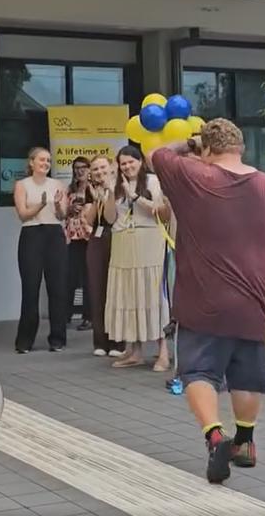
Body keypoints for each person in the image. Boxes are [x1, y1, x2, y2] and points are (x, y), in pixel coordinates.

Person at [150, 118, 265, 485]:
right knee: (246, 376)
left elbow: (156, 154)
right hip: (252, 304)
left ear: (208, 150)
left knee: (198, 372)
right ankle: (245, 441)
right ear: (241, 147)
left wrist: (189, 147)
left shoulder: (191, 176)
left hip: (202, 302)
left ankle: (215, 436)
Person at [102, 146, 172, 370]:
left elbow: (164, 213)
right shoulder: (115, 185)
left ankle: (163, 353)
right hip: (122, 240)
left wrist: (136, 197)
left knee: (151, 293)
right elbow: (110, 218)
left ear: (140, 161)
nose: (127, 167)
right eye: (123, 164)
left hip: (148, 240)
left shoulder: (152, 182)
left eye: (131, 162)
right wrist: (111, 192)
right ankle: (135, 351)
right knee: (129, 293)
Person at [12, 147, 69, 353]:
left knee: (57, 288)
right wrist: (41, 204)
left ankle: (57, 338)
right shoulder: (22, 185)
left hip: (54, 234)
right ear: (32, 163)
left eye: (48, 161)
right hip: (32, 235)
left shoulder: (58, 184)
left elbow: (62, 215)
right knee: (30, 288)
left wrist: (58, 205)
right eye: (42, 160)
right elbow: (23, 214)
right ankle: (25, 341)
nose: (46, 163)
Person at [82, 155, 125, 358]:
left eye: (102, 168)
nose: (99, 172)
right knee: (97, 289)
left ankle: (118, 341)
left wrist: (107, 194)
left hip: (117, 238)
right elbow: (89, 220)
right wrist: (95, 198)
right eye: (95, 169)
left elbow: (110, 217)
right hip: (97, 240)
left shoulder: (119, 187)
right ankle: (100, 340)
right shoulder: (91, 190)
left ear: (112, 168)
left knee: (115, 290)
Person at [64, 157, 94, 330]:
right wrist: (70, 209)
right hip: (73, 238)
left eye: (83, 167)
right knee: (70, 277)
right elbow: (62, 213)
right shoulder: (70, 189)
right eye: (76, 167)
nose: (80, 171)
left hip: (88, 237)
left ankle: (89, 316)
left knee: (88, 278)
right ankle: (65, 314)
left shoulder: (93, 188)